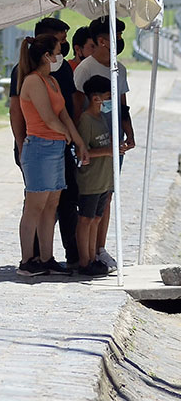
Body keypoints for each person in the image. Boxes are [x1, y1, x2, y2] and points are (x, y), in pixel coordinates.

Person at [9, 16, 81, 269]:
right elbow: (49, 118)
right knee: (35, 205)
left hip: (56, 147)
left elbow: (61, 112)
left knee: (52, 204)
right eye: (58, 51)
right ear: (46, 55)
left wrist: (73, 137)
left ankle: (47, 257)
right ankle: (28, 258)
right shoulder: (32, 81)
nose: (60, 56)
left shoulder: (51, 80)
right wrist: (68, 135)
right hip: (40, 147)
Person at [73, 16, 133, 270]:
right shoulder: (85, 69)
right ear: (101, 40)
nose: (119, 41)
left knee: (107, 196)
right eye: (115, 36)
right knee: (91, 196)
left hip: (114, 141)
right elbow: (76, 107)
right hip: (92, 142)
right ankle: (85, 255)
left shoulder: (120, 68)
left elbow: (122, 105)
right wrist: (79, 144)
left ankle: (100, 248)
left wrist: (130, 134)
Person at [75, 76, 120, 277]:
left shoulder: (101, 118)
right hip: (90, 181)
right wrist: (108, 151)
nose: (109, 101)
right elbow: (82, 152)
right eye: (107, 97)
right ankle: (84, 261)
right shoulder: (86, 120)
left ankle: (93, 257)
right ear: (95, 98)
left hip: (103, 180)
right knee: (86, 219)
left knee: (96, 219)